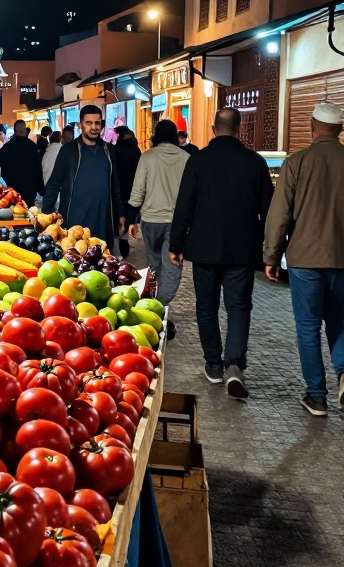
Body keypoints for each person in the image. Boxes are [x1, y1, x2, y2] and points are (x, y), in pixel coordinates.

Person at [169, 107, 274, 398]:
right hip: (243, 249)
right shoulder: (255, 163)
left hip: (204, 249)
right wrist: (271, 251)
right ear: (239, 129)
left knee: (206, 307)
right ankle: (235, 365)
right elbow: (270, 211)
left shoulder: (198, 161)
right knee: (239, 307)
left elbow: (184, 206)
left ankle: (214, 364)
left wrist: (176, 244)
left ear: (214, 128)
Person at [263, 101, 344, 416]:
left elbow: (280, 213)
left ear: (311, 127)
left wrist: (271, 255)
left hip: (305, 259)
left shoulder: (297, 162)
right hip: (341, 258)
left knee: (308, 326)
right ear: (339, 130)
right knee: (337, 320)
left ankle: (317, 396)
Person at [128, 119, 189, 327]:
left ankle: (155, 304)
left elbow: (138, 190)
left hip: (151, 220)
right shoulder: (186, 158)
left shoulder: (147, 157)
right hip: (177, 222)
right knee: (172, 266)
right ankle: (160, 305)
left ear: (156, 136)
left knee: (155, 264)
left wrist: (131, 218)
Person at [42, 105, 123, 244]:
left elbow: (115, 186)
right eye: (89, 123)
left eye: (97, 123)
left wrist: (120, 215)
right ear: (80, 125)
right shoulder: (68, 150)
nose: (94, 127)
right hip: (74, 224)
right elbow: (54, 183)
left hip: (103, 223)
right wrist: (46, 215)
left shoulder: (109, 150)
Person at [0, 119, 44, 205]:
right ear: (25, 130)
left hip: (11, 191)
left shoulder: (6, 148)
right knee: (29, 215)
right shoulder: (32, 146)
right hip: (29, 190)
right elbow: (37, 169)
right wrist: (40, 188)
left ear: (15, 131)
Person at [112, 125, 142, 256]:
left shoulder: (116, 150)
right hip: (133, 189)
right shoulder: (136, 151)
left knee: (121, 216)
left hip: (119, 190)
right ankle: (129, 234)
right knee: (131, 217)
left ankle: (122, 240)